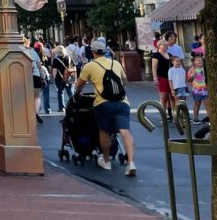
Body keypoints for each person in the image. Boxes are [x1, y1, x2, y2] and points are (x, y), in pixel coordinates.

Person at [75, 37, 137, 176]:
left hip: (103, 103)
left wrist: (77, 93)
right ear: (104, 51)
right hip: (122, 102)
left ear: (93, 52)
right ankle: (131, 162)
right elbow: (124, 81)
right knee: (125, 131)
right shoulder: (115, 63)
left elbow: (79, 84)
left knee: (104, 131)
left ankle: (106, 160)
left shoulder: (89, 66)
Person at [152, 37, 176, 120]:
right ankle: (163, 116)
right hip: (162, 77)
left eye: (167, 45)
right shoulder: (156, 55)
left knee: (173, 97)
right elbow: (154, 68)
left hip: (171, 78)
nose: (166, 46)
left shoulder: (170, 55)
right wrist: (155, 78)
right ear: (159, 46)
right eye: (164, 45)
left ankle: (174, 114)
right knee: (164, 97)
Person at [187, 50, 208, 121]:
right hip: (197, 90)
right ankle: (195, 118)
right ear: (194, 62)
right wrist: (193, 75)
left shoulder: (205, 69)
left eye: (201, 60)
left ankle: (210, 118)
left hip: (205, 89)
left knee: (208, 104)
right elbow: (189, 80)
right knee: (197, 104)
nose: (200, 62)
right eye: (198, 60)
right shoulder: (192, 70)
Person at [52, 45, 73, 111]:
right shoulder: (69, 58)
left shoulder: (56, 60)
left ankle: (62, 107)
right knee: (70, 92)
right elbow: (73, 67)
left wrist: (54, 78)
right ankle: (73, 106)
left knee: (60, 92)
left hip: (59, 78)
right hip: (68, 77)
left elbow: (54, 70)